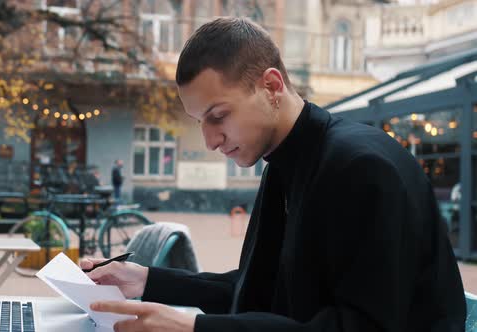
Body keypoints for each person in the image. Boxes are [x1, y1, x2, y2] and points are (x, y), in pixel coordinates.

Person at [80, 18, 466, 331]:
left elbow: (362, 326)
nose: (211, 141)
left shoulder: (359, 168)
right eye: (200, 122)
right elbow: (260, 288)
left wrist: (194, 328)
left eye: (218, 116)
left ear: (271, 86)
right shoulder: (284, 163)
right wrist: (145, 280)